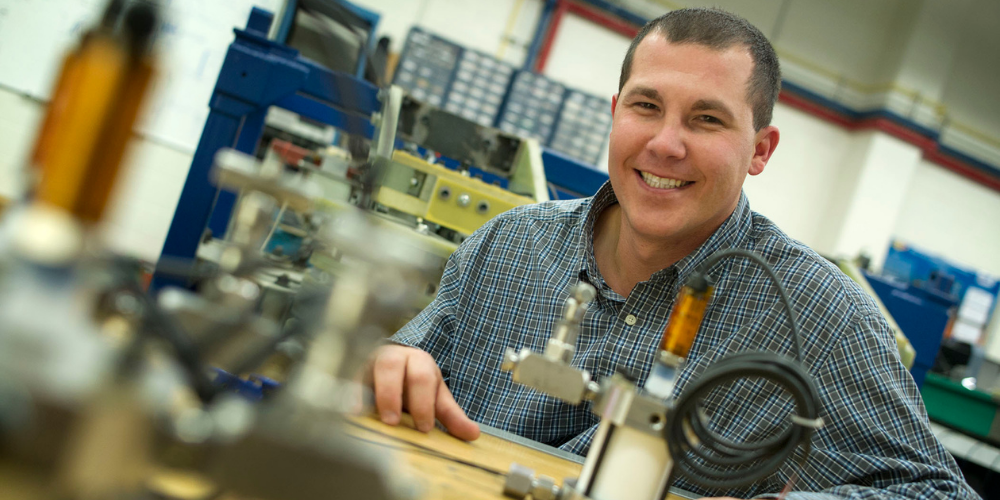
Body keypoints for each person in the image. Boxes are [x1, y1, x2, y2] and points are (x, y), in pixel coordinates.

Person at [366, 7, 978, 499]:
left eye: (707, 120)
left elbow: (935, 491)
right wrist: (394, 364)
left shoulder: (821, 318)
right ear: (615, 112)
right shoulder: (508, 246)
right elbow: (407, 364)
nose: (665, 144)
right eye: (646, 106)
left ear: (761, 151)